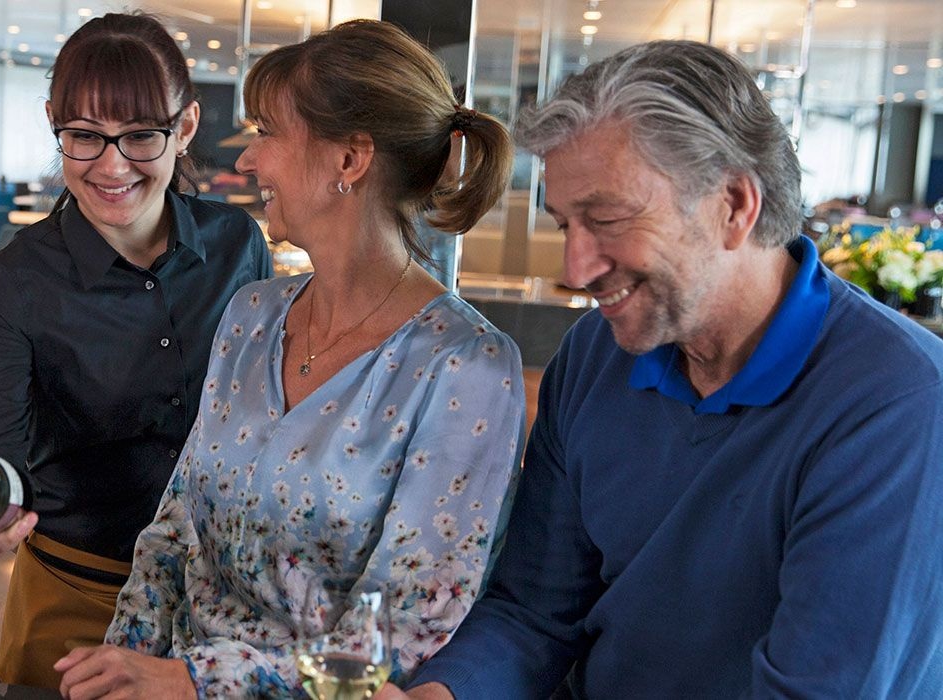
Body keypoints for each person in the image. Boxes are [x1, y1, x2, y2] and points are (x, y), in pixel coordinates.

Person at [397, 41, 943, 699]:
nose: (575, 271)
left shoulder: (899, 402)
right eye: (566, 224)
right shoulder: (594, 355)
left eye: (606, 220)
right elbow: (533, 613)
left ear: (735, 206)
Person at [55, 19, 525, 698]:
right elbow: (174, 529)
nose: (248, 161)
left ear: (349, 160)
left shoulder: (467, 367)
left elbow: (404, 627)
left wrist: (198, 681)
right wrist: (122, 668)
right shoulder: (253, 315)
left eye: (267, 132)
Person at [0, 12, 273, 688]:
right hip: (76, 600)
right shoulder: (15, 282)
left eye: (139, 137)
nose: (111, 165)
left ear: (184, 126)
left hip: (224, 604)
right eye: (84, 137)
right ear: (53, 124)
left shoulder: (238, 245)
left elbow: (265, 417)